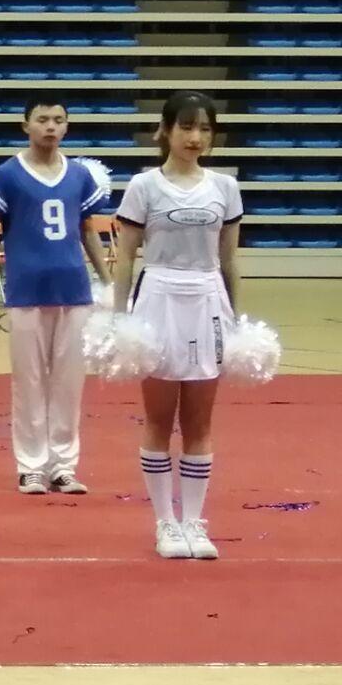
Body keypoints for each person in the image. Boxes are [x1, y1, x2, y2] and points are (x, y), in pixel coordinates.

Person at [0, 96, 113, 497]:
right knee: (29, 382)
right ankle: (31, 466)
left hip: (73, 291)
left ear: (67, 126)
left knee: (69, 382)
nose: (51, 126)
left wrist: (109, 282)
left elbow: (89, 232)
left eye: (58, 119)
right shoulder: (9, 174)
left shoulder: (79, 175)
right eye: (42, 119)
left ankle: (64, 466)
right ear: (26, 125)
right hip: (26, 292)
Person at [112, 92, 243, 561]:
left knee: (200, 421)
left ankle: (194, 522)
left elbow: (230, 261)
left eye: (205, 128)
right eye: (186, 127)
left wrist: (236, 321)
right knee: (159, 418)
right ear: (164, 131)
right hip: (159, 298)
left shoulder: (225, 187)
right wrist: (119, 320)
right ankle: (165, 522)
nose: (196, 137)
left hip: (207, 299)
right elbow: (125, 258)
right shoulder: (143, 186)